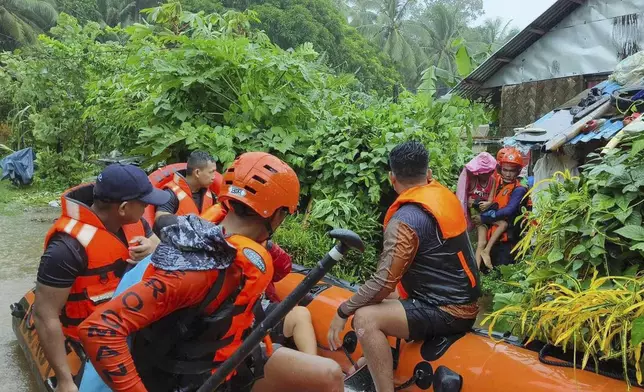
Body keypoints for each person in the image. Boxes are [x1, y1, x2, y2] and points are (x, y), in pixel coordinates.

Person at [78, 152, 344, 392]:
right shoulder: (198, 269)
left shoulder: (239, 252)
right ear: (276, 216)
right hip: (185, 381)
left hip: (227, 362)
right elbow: (100, 329)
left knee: (329, 374)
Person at [327, 141, 481, 392]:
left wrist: (343, 311)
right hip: (459, 301)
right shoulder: (443, 197)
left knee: (365, 318)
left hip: (447, 310)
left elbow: (383, 281)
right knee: (382, 298)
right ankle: (377, 359)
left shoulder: (406, 220)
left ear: (392, 178)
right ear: (428, 174)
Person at [34, 164, 170, 392]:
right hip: (87, 340)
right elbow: (44, 314)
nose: (148, 206)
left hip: (130, 327)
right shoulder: (66, 248)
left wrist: (153, 247)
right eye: (144, 202)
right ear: (124, 207)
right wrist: (65, 381)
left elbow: (157, 243)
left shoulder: (137, 223)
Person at [478, 148, 528, 267]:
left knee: (502, 273)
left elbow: (509, 210)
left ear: (518, 171)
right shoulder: (497, 184)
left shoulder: (519, 189)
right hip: (494, 238)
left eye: (512, 171)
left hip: (507, 242)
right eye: (505, 170)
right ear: (500, 169)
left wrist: (484, 218)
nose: (508, 174)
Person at [456, 152, 498, 269]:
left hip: (485, 212)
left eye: (489, 172)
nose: (487, 175)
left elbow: (490, 199)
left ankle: (476, 269)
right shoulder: (472, 180)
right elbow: (467, 200)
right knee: (480, 242)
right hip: (474, 213)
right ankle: (476, 269)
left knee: (500, 226)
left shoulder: (493, 180)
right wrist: (475, 204)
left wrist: (487, 203)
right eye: (484, 173)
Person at [155, 151, 218, 218]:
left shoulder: (211, 195)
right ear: (197, 173)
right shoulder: (170, 194)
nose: (214, 177)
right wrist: (188, 221)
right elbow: (160, 219)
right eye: (211, 172)